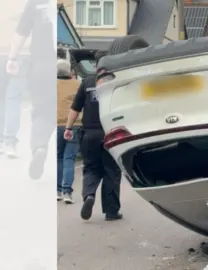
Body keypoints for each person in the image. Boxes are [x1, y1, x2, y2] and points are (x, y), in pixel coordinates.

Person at [64, 50, 123, 221]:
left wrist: (68, 128)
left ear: (95, 64)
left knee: (91, 168)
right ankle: (111, 212)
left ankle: (89, 195)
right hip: (111, 134)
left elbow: (75, 108)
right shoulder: (117, 81)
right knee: (111, 171)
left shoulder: (87, 82)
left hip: (89, 134)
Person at [6, 0, 56, 179]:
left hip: (39, 66)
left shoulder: (35, 3)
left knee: (41, 110)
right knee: (57, 110)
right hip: (61, 64)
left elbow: (21, 33)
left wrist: (12, 59)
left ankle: (40, 146)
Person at [57, 59, 81, 203]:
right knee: (69, 159)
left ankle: (57, 190)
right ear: (70, 71)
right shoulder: (78, 84)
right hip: (75, 124)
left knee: (58, 157)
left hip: (56, 123)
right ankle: (67, 192)